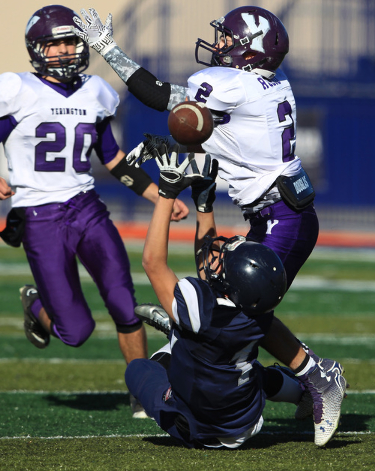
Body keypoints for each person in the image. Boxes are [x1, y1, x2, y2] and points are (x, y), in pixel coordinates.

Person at [73, 5, 347, 444]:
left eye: (227, 37)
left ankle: (320, 376)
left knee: (240, 316)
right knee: (221, 302)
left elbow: (164, 97)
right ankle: (282, 377)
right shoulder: (267, 85)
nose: (218, 44)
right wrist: (171, 144)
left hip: (282, 219)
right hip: (279, 214)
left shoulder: (230, 83)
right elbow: (220, 136)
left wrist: (109, 50)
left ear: (248, 49)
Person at [0, 4, 189, 418]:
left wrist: (160, 195)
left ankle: (143, 390)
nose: (67, 50)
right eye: (57, 44)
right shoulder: (16, 89)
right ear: (37, 49)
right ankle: (37, 305)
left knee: (124, 302)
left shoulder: (97, 92)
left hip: (86, 207)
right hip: (39, 215)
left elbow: (113, 159)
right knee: (76, 332)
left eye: (72, 41)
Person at [126, 145, 320, 449]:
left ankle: (177, 335)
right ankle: (300, 392)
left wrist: (167, 193)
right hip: (245, 419)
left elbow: (153, 262)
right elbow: (210, 274)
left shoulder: (203, 310)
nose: (218, 258)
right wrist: (205, 204)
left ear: (234, 285)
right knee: (237, 368)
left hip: (200, 427)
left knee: (142, 368)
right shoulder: (257, 311)